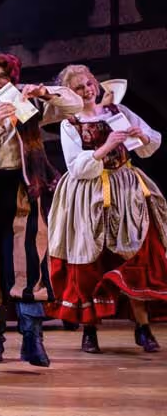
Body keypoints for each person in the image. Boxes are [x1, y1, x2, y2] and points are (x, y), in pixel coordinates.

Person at [0, 46, 82, 367]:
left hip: (23, 189)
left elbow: (74, 105)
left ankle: (33, 339)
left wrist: (45, 92)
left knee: (30, 262)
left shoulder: (22, 100)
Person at [46, 65, 165, 353]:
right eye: (79, 88)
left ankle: (142, 327)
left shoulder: (117, 111)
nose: (87, 90)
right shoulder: (70, 123)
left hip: (126, 190)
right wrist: (105, 146)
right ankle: (89, 329)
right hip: (90, 194)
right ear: (70, 94)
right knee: (90, 260)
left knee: (135, 256)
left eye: (89, 84)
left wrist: (142, 135)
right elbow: (76, 167)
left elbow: (149, 142)